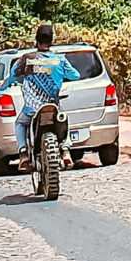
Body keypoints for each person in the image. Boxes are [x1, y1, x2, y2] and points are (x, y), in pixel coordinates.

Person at [9, 23, 83, 160]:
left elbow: (12, 77)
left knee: (20, 123)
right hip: (52, 106)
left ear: (36, 41)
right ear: (51, 41)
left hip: (32, 109)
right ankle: (65, 148)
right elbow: (76, 75)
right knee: (63, 119)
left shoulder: (27, 59)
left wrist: (3, 85)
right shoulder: (60, 59)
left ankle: (23, 153)